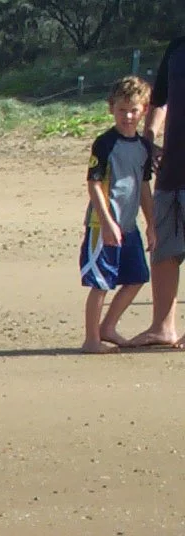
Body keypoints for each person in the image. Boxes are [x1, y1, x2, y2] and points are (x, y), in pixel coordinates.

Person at [81, 77, 156, 352]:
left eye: (133, 110)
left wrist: (151, 224)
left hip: (129, 225)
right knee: (101, 283)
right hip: (103, 225)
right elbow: (94, 184)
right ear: (111, 108)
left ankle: (108, 327)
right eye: (122, 109)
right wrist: (108, 222)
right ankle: (91, 339)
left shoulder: (143, 147)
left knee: (137, 277)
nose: (128, 116)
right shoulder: (104, 143)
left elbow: (144, 186)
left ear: (144, 110)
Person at [134, 34, 185, 347]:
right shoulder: (178, 47)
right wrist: (149, 134)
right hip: (174, 168)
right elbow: (160, 98)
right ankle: (162, 328)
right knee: (165, 250)